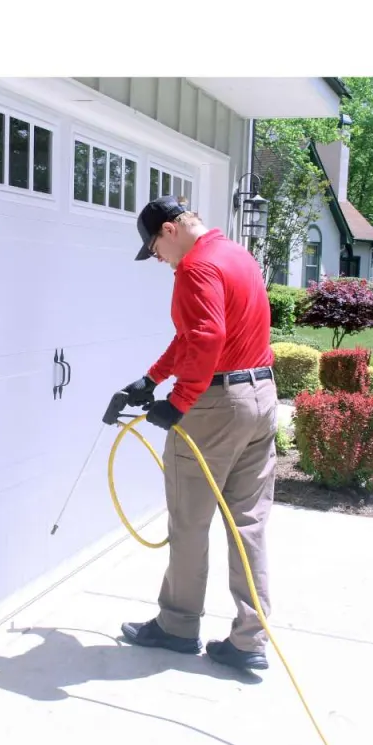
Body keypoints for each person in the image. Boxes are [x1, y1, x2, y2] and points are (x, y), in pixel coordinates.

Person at [105, 194, 277, 672]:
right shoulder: (235, 255)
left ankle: (178, 627)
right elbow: (192, 337)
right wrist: (151, 379)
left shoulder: (196, 268)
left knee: (189, 520)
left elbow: (206, 338)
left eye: (155, 250)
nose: (159, 260)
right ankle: (249, 639)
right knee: (249, 524)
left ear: (169, 230)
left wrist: (179, 403)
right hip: (261, 398)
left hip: (217, 407)